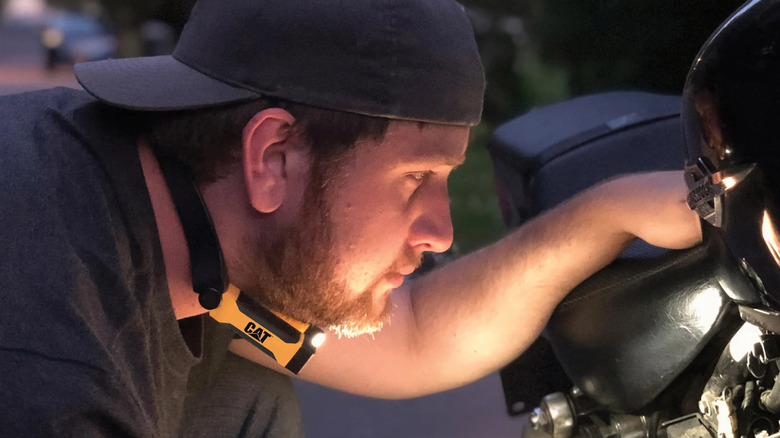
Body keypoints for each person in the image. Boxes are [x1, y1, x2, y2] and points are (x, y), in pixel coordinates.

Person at [0, 0, 701, 436]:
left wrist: (611, 211)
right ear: (272, 156)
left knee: (242, 390)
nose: (442, 231)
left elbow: (414, 333)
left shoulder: (196, 240)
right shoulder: (55, 373)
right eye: (416, 178)